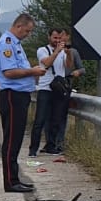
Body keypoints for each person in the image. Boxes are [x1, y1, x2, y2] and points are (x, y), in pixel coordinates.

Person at [0, 13, 46, 193]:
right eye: (27, 31)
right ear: (19, 26)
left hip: (19, 95)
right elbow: (9, 72)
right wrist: (32, 71)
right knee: (11, 141)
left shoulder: (15, 44)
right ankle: (10, 181)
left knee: (16, 140)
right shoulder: (7, 44)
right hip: (12, 96)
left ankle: (14, 178)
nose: (28, 34)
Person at [29, 27, 66, 157]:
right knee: (40, 120)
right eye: (55, 38)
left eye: (59, 38)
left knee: (55, 120)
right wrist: (56, 51)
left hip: (58, 89)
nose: (57, 40)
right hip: (45, 88)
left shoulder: (63, 52)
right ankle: (33, 148)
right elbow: (47, 64)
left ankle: (51, 146)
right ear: (49, 37)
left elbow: (68, 66)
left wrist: (69, 52)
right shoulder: (42, 50)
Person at [46, 34, 85, 154]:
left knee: (61, 116)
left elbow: (82, 69)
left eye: (63, 38)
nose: (61, 40)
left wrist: (76, 72)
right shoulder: (48, 50)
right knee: (49, 116)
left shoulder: (72, 52)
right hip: (51, 85)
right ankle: (50, 142)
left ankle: (59, 142)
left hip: (65, 85)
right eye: (58, 38)